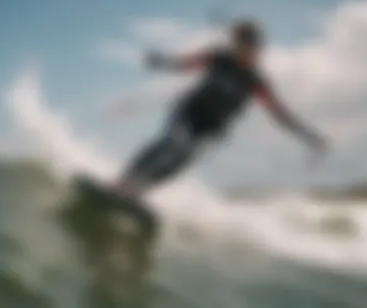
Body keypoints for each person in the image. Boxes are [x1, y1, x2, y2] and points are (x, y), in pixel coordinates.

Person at [110, 19, 327, 198]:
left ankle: (137, 191)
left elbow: (280, 115)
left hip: (213, 129)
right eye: (240, 44)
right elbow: (183, 64)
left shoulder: (255, 81)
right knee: (173, 142)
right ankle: (124, 182)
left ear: (257, 49)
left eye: (250, 47)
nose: (244, 51)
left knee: (183, 159)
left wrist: (309, 136)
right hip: (189, 113)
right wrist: (160, 62)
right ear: (236, 43)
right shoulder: (219, 58)